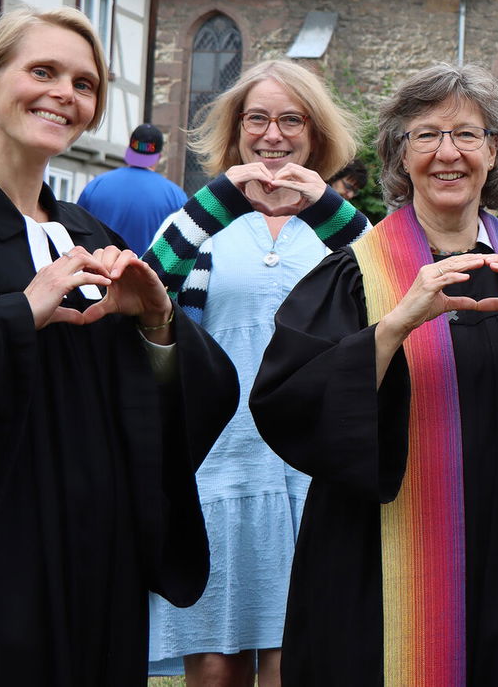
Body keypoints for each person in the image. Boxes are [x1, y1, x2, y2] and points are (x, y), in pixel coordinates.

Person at [0, 7, 237, 685]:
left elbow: (162, 407)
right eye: (44, 71)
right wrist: (15, 315)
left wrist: (157, 322)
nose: (65, 92)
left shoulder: (89, 235)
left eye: (84, 83)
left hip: (93, 565)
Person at [251, 63, 498, 686]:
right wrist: (394, 325)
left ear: (493, 150)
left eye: (467, 135)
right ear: (400, 153)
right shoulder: (356, 274)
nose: (447, 154)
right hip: (383, 553)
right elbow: (288, 401)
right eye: (425, 135)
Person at [145, 60, 372, 686]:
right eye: (258, 120)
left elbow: (388, 283)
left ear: (316, 132)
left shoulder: (337, 229)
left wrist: (320, 200)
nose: (273, 136)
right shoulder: (204, 222)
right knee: (215, 670)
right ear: (236, 131)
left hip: (308, 474)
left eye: (291, 120)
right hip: (214, 471)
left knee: (291, 662)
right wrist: (220, 196)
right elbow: (144, 291)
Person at [77, 122, 191, 252]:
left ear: (129, 150)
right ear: (158, 157)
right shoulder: (175, 195)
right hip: (146, 271)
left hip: (97, 270)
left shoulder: (95, 185)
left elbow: (76, 232)